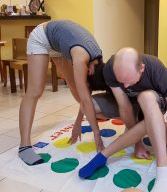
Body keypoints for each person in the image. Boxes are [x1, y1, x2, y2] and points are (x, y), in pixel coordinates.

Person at [79, 47, 167, 192]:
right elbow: (124, 106)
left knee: (145, 97)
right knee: (89, 107)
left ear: (141, 68)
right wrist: (137, 143)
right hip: (132, 105)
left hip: (153, 103)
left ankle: (163, 172)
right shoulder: (111, 69)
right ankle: (105, 155)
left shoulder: (157, 71)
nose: (125, 86)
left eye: (129, 81)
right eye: (121, 82)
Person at [18, 20, 103, 166]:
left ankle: (91, 113)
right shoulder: (80, 58)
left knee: (75, 86)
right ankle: (24, 146)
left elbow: (85, 91)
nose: (87, 72)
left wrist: (79, 121)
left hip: (60, 41)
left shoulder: (99, 58)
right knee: (35, 90)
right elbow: (85, 98)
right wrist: (96, 133)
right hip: (42, 37)